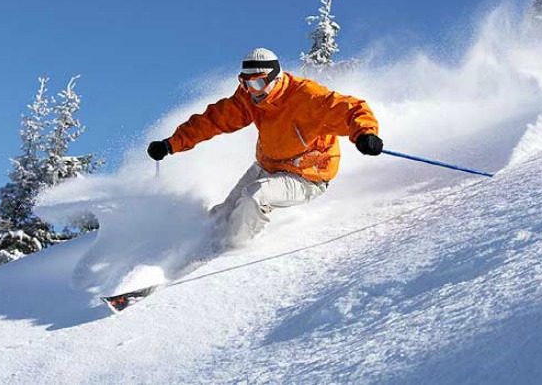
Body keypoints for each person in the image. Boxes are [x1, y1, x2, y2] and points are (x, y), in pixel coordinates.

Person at [147, 48, 382, 248]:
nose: (251, 90)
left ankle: (231, 250)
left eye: (258, 83)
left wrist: (365, 133)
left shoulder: (306, 97)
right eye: (245, 83)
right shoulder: (250, 98)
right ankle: (197, 248)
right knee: (224, 213)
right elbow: (213, 120)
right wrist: (171, 143)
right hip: (268, 165)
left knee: (254, 197)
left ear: (275, 78)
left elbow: (351, 108)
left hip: (307, 176)